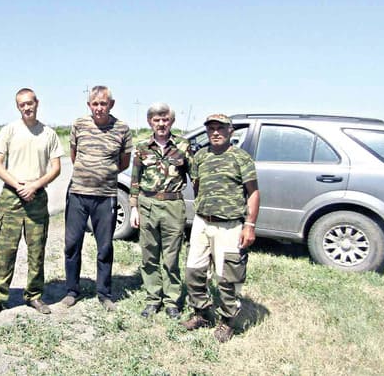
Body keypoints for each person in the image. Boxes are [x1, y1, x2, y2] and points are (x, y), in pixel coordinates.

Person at [181, 113, 260, 342]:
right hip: (203, 222)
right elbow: (197, 187)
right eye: (211, 128)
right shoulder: (200, 156)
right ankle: (202, 313)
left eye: (220, 128)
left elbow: (253, 192)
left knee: (227, 277)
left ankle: (227, 321)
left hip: (230, 226)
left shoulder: (240, 158)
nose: (215, 132)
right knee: (194, 271)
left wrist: (250, 225)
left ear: (230, 132)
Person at [0, 88, 64, 316]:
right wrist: (19, 186)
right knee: (4, 250)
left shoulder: (49, 133)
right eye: (22, 105)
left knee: (37, 250)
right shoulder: (9, 130)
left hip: (36, 197)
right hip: (12, 196)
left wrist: (34, 186)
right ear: (17, 106)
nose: (27, 108)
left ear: (37, 103)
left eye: (30, 103)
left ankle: (34, 295)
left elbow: (56, 168)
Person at [63, 85, 133, 310]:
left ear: (111, 105)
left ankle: (104, 293)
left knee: (104, 247)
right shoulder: (79, 125)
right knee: (72, 244)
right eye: (95, 104)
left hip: (106, 196)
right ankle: (72, 290)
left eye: (103, 103)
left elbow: (124, 162)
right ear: (89, 105)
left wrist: (104, 174)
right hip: (78, 194)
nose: (99, 108)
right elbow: (74, 156)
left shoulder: (122, 128)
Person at [129, 103, 191, 319]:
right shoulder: (141, 147)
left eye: (165, 119)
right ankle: (153, 299)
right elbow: (134, 180)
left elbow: (195, 177)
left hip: (173, 205)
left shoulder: (183, 145)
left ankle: (172, 300)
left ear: (171, 121)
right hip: (148, 204)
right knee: (149, 255)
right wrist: (134, 208)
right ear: (150, 122)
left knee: (171, 256)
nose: (161, 124)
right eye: (157, 120)